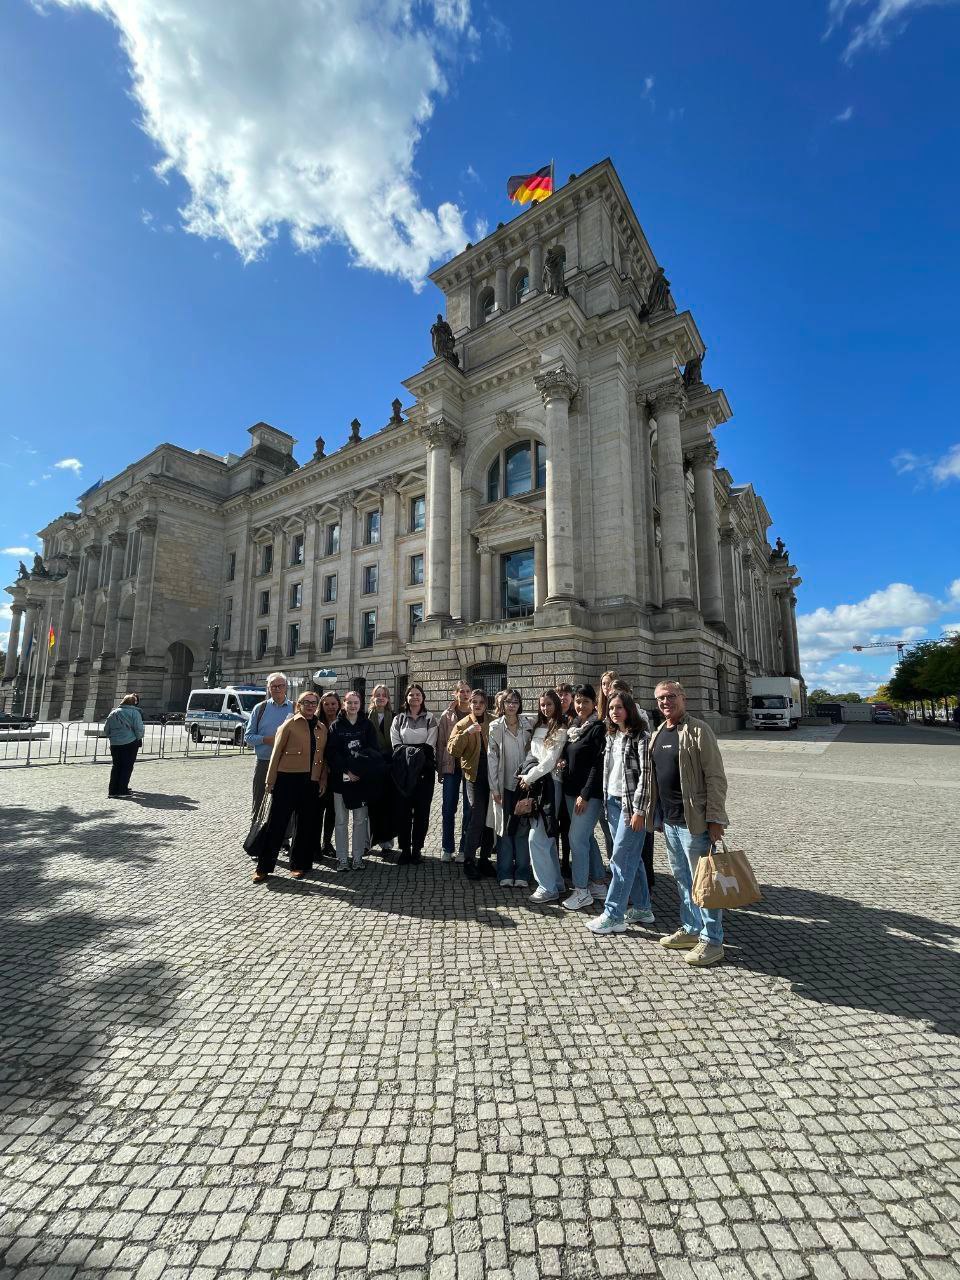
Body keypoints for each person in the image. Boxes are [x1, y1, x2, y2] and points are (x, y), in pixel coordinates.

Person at [647, 679, 729, 967]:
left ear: (683, 697)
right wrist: (656, 815)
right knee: (683, 880)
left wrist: (715, 818)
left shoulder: (699, 730)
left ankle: (712, 939)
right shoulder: (659, 731)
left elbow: (716, 777)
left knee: (704, 882)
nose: (665, 702)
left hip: (694, 821)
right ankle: (692, 928)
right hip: (670, 822)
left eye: (670, 696)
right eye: (660, 698)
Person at [587, 689, 655, 935]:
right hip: (613, 803)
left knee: (620, 860)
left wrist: (639, 810)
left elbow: (646, 777)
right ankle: (643, 908)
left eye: (619, 707)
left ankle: (613, 914)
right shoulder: (612, 735)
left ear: (629, 709)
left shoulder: (641, 737)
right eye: (611, 708)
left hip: (631, 807)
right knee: (631, 859)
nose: (614, 712)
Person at [252, 691, 327, 883]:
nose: (310, 706)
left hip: (311, 781)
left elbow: (323, 758)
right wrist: (270, 780)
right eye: (306, 702)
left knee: (304, 826)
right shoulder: (289, 724)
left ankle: (299, 864)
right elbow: (276, 753)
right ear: (299, 704)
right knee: (276, 825)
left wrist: (322, 780)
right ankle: (264, 867)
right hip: (287, 779)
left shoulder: (321, 728)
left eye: (314, 703)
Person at [559, 684, 609, 911]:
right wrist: (563, 761)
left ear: (594, 703)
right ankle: (598, 883)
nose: (580, 706)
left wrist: (585, 794)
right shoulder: (575, 726)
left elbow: (598, 765)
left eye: (585, 702)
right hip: (571, 792)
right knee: (586, 837)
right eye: (578, 701)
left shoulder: (598, 728)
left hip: (588, 795)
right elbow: (572, 754)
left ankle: (581, 891)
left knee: (576, 839)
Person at [518, 690, 568, 903]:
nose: (545, 708)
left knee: (537, 837)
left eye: (549, 704)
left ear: (556, 705)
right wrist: (529, 776)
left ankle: (546, 887)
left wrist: (529, 777)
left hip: (551, 784)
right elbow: (533, 755)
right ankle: (555, 883)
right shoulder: (538, 726)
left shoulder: (561, 729)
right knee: (546, 837)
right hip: (536, 784)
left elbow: (550, 761)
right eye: (542, 705)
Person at [327, 690, 380, 872]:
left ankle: (357, 858)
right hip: (341, 780)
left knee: (360, 820)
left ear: (360, 704)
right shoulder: (336, 726)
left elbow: (373, 750)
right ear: (344, 704)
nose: (353, 706)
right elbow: (332, 753)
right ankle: (342, 859)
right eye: (349, 702)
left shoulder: (367, 725)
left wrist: (359, 769)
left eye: (356, 702)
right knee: (341, 821)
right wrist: (347, 771)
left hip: (361, 780)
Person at [448, 689, 496, 880]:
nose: (477, 705)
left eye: (481, 702)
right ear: (469, 704)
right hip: (474, 777)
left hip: (493, 776)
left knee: (490, 819)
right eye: (474, 702)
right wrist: (467, 733)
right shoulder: (463, 724)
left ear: (486, 704)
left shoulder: (493, 721)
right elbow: (452, 749)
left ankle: (484, 859)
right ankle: (469, 860)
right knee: (476, 818)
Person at [488, 689, 533, 887]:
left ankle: (523, 872)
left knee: (523, 829)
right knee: (504, 829)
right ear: (502, 704)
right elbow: (492, 758)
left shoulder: (528, 724)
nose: (512, 705)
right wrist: (494, 788)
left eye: (515, 702)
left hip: (524, 785)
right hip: (504, 784)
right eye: (508, 702)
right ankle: (505, 872)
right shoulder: (495, 726)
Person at [390, 685, 438, 864]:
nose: (415, 697)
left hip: (424, 770)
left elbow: (429, 745)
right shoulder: (399, 719)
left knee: (422, 811)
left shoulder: (430, 718)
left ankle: (417, 848)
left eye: (418, 694)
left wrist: (412, 752)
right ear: (406, 698)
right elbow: (396, 744)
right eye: (411, 694)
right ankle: (405, 849)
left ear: (423, 697)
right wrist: (412, 753)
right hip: (403, 770)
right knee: (403, 811)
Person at [244, 672, 294, 817]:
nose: (277, 689)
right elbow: (248, 737)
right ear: (268, 688)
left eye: (280, 686)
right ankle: (256, 826)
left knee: (283, 804)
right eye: (273, 686)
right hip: (264, 761)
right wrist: (267, 740)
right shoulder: (260, 708)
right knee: (259, 801)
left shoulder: (295, 708)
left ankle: (280, 831)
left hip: (287, 763)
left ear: (286, 687)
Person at [436, 680, 474, 862]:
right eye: (461, 691)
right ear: (455, 694)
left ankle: (464, 849)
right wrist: (440, 770)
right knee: (448, 808)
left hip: (470, 767)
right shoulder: (447, 715)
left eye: (467, 691)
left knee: (469, 809)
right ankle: (447, 848)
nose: (465, 694)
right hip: (451, 767)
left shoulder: (476, 713)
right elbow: (441, 744)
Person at [367, 684, 397, 856]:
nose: (380, 698)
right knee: (371, 806)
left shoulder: (394, 716)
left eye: (383, 695)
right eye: (377, 695)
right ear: (373, 697)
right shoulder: (366, 717)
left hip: (389, 766)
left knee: (388, 805)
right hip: (372, 765)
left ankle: (387, 841)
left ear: (388, 699)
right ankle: (369, 841)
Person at [554, 682, 576, 880]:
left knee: (568, 825)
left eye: (566, 694)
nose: (563, 698)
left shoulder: (575, 718)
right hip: (553, 778)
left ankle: (566, 862)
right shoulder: (552, 717)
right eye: (560, 694)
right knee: (554, 822)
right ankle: (555, 860)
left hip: (569, 778)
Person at [104, 692, 144, 798]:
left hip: (115, 743)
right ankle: (122, 790)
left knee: (116, 766)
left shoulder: (114, 712)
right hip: (130, 742)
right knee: (127, 766)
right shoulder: (135, 713)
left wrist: (113, 737)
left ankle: (112, 791)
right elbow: (139, 729)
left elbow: (106, 729)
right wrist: (138, 737)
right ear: (133, 703)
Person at [317, 690, 341, 855]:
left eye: (333, 704)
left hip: (337, 773)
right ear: (322, 706)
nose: (330, 707)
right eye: (326, 704)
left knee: (333, 810)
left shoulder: (342, 722)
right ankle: (314, 844)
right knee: (317, 810)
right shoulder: (317, 723)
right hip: (318, 772)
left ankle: (327, 843)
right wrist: (323, 774)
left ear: (339, 705)